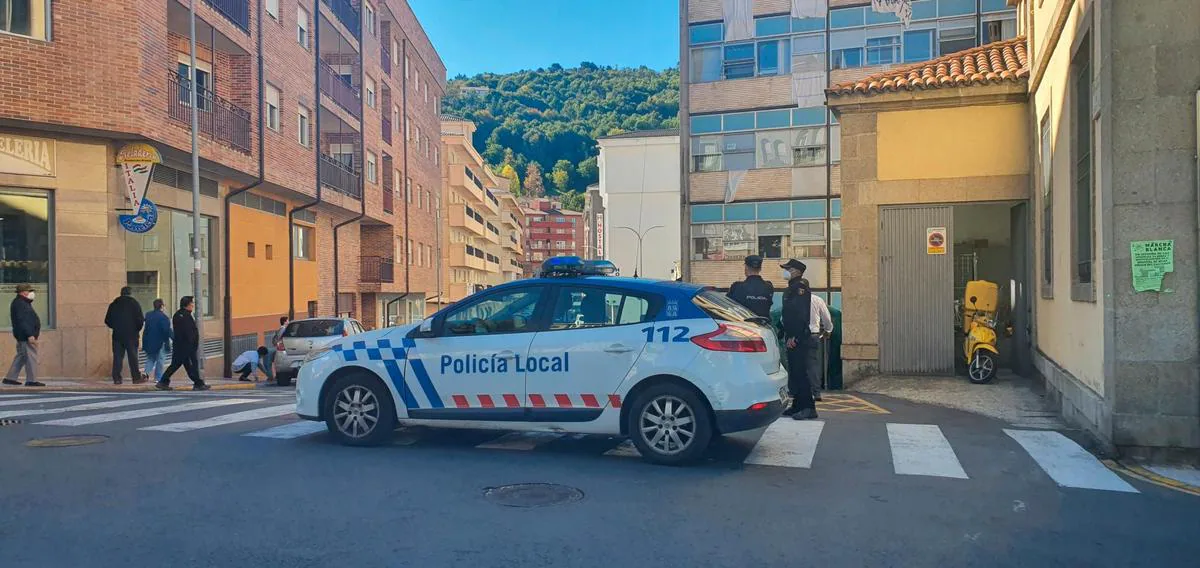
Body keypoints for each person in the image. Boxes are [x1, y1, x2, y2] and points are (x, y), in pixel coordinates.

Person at [779, 259, 816, 420]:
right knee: (794, 373)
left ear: (796, 271)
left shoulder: (800, 287)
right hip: (791, 335)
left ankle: (808, 407)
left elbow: (801, 315)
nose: (785, 272)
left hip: (798, 337)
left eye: (788, 269)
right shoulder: (792, 287)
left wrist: (796, 336)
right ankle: (797, 405)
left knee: (801, 373)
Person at [157, 296, 208, 391]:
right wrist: (192, 345)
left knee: (182, 365)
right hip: (186, 346)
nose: (193, 305)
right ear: (187, 305)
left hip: (181, 346)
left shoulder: (180, 314)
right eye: (191, 303)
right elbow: (188, 332)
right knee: (189, 365)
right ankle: (198, 383)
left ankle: (198, 383)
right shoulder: (184, 316)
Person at [3, 284, 44, 387]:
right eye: (28, 291)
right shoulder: (21, 303)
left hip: (22, 335)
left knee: (21, 356)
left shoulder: (22, 303)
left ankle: (10, 378)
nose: (31, 293)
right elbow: (23, 321)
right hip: (26, 336)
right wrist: (30, 335)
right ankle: (31, 380)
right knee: (31, 357)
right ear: (22, 292)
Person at [105, 286, 145, 384]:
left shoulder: (114, 304)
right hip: (131, 335)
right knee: (133, 357)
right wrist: (136, 329)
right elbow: (140, 320)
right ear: (130, 293)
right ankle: (136, 377)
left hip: (117, 335)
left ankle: (117, 378)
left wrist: (115, 327)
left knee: (118, 357)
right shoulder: (135, 304)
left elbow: (107, 320)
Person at [802, 279, 834, 402]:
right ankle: (816, 392)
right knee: (812, 365)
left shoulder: (792, 299)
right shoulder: (817, 300)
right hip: (813, 335)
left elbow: (784, 319)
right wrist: (828, 330)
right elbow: (826, 318)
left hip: (796, 336)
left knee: (797, 364)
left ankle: (797, 391)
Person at [142, 299, 173, 383]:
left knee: (151, 357)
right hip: (160, 342)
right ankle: (158, 378)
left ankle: (146, 372)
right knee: (160, 360)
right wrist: (174, 338)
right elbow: (166, 330)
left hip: (149, 341)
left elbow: (146, 329)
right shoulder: (164, 317)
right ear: (162, 306)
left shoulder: (148, 315)